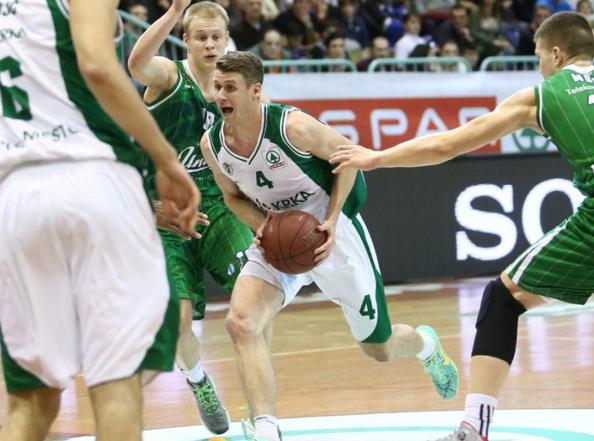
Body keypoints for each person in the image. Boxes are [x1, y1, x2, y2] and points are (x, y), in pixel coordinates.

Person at [329, 11, 594, 441]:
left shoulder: (543, 94)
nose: (539, 66)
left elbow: (447, 144)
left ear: (558, 54)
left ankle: (475, 426)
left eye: (539, 56)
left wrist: (375, 157)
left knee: (502, 299)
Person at [0, 1, 200, 441]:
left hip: (17, 200)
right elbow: (99, 67)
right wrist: (165, 158)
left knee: (31, 400)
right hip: (96, 182)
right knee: (115, 382)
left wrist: (29, 145)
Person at [200, 51, 459, 441]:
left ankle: (425, 346)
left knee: (380, 349)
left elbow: (350, 160)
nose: (220, 95)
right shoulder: (213, 145)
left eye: (230, 87)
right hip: (279, 239)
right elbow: (232, 196)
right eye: (217, 86)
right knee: (241, 323)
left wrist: (334, 220)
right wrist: (264, 227)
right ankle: (267, 427)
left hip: (329, 234)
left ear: (255, 92)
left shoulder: (294, 126)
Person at [127, 1, 254, 434]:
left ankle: (261, 413)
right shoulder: (167, 74)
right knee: (179, 320)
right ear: (187, 40)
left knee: (252, 305)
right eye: (200, 36)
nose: (210, 44)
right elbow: (136, 62)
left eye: (217, 36)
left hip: (216, 206)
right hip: (163, 212)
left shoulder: (233, 88)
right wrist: (173, 12)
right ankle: (198, 380)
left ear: (227, 39)